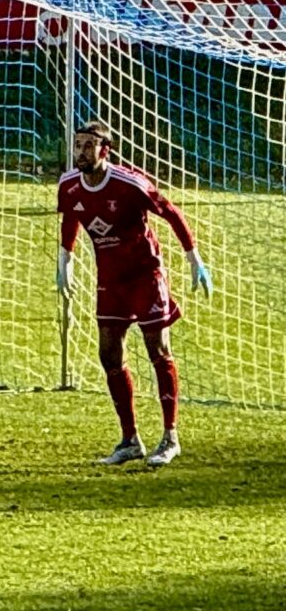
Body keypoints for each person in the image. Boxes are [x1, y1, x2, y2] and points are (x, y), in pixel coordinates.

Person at [57, 121, 211, 467]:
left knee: (158, 349)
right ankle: (130, 440)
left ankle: (170, 437)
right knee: (109, 355)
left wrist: (194, 259)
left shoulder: (129, 184)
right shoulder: (68, 185)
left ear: (105, 150)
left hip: (145, 275)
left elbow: (170, 212)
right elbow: (70, 218)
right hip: (110, 281)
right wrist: (65, 259)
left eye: (88, 145)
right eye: (78, 145)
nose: (81, 152)